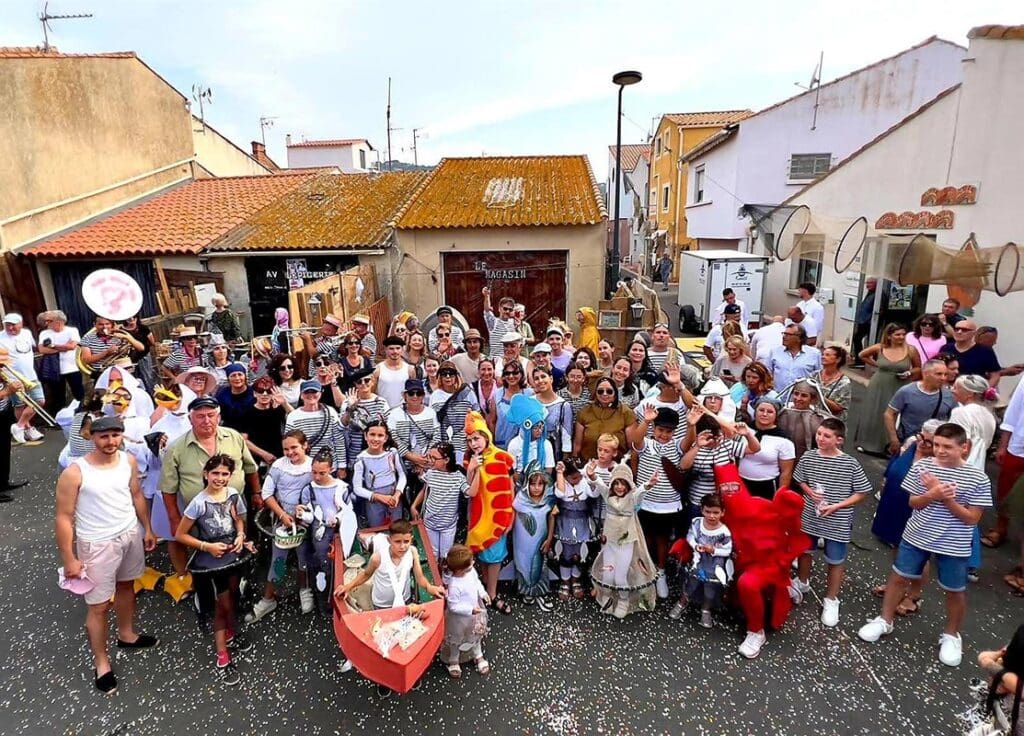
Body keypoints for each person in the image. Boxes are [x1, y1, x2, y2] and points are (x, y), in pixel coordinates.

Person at [858, 423, 992, 667]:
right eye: (937, 445)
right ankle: (884, 620)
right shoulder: (922, 466)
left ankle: (952, 635)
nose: (940, 451)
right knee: (898, 577)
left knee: (954, 590)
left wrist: (944, 498)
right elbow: (914, 502)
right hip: (917, 534)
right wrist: (931, 495)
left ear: (964, 448)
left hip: (954, 543)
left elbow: (972, 518)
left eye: (947, 447)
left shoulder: (978, 478)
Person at [54, 415, 159, 694]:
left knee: (127, 586)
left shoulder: (128, 461)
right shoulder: (76, 472)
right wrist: (69, 559)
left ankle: (126, 634)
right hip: (97, 544)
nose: (111, 441)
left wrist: (147, 528)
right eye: (104, 436)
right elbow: (64, 518)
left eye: (116, 435)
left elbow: (136, 494)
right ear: (92, 437)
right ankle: (102, 662)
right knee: (99, 606)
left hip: (129, 535)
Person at [333, 520, 445, 687]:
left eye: (406, 541)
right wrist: (348, 586)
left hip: (405, 603)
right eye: (398, 542)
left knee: (406, 638)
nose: (402, 546)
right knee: (383, 641)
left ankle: (408, 670)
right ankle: (384, 679)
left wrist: (431, 588)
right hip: (381, 606)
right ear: (389, 540)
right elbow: (365, 574)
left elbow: (420, 578)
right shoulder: (378, 557)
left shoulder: (412, 553)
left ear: (411, 540)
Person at [175, 454, 255, 685]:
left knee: (232, 594)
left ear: (230, 476)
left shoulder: (232, 494)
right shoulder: (198, 503)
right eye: (215, 473)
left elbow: (239, 519)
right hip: (213, 559)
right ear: (206, 474)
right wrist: (206, 546)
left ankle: (230, 633)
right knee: (222, 603)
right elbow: (181, 534)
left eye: (224, 474)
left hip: (233, 553)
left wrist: (241, 534)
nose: (219, 478)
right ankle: (222, 654)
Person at [791, 418, 872, 627]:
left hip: (837, 518)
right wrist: (809, 492)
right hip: (810, 514)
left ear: (839, 440)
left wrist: (837, 506)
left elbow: (862, 491)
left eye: (826, 436)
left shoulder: (850, 463)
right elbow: (800, 479)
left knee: (835, 560)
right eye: (819, 434)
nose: (820, 438)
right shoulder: (809, 457)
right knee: (805, 550)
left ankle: (831, 598)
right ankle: (802, 581)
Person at [869, 419, 941, 615]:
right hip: (892, 504)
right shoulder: (910, 445)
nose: (923, 443)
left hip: (917, 511)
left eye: (930, 441)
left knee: (918, 555)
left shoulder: (939, 463)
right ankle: (895, 584)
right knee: (895, 546)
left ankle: (914, 595)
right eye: (922, 437)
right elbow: (892, 467)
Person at [248, 430, 315, 621]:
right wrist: (282, 515)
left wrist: (306, 513)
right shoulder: (278, 466)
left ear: (305, 445)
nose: (290, 452)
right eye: (286, 449)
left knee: (303, 557)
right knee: (278, 561)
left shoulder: (313, 466)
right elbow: (267, 494)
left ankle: (305, 589)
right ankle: (268, 599)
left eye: (294, 447)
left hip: (305, 522)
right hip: (283, 522)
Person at [464, 414, 516, 614]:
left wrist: (510, 514)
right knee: (482, 553)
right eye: (469, 440)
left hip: (499, 515)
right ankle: (485, 587)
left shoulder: (503, 456)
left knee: (494, 556)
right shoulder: (470, 459)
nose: (473, 443)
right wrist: (471, 469)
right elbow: (469, 489)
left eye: (476, 438)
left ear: (486, 436)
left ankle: (492, 594)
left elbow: (511, 488)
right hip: (478, 514)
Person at [631, 407, 683, 599]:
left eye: (669, 431)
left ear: (675, 431)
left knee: (662, 539)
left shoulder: (677, 445)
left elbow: (688, 442)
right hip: (645, 502)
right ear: (654, 429)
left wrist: (692, 425)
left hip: (668, 503)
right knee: (644, 538)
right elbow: (635, 439)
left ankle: (660, 572)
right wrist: (645, 421)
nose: (664, 435)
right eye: (660, 430)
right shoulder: (646, 444)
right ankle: (643, 572)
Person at [848, 323, 921, 455]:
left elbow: (918, 368)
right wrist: (877, 365)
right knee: (874, 412)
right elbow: (862, 355)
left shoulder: (911, 350)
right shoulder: (879, 347)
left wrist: (909, 373)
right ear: (889, 336)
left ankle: (891, 445)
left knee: (894, 415)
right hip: (879, 383)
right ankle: (867, 443)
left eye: (903, 334)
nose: (901, 337)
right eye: (897, 334)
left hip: (900, 385)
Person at [671, 492, 733, 628]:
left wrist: (715, 551)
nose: (711, 516)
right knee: (691, 583)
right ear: (702, 510)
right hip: (698, 560)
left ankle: (706, 610)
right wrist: (695, 545)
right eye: (708, 511)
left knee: (710, 589)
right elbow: (690, 536)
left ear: (722, 512)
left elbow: (728, 550)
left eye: (716, 512)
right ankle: (682, 602)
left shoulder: (724, 532)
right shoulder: (697, 522)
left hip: (713, 564)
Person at [299, 449, 355, 598]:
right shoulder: (309, 489)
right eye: (314, 472)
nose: (317, 476)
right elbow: (309, 515)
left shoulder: (342, 488)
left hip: (340, 531)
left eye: (322, 473)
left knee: (343, 562)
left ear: (331, 469)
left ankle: (343, 595)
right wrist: (302, 514)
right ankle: (325, 599)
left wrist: (338, 518)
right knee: (323, 564)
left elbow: (349, 510)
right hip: (320, 534)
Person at [986, 376, 1024, 564]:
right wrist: (1003, 444)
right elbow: (1014, 411)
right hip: (1020, 445)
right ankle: (1001, 527)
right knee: (1006, 488)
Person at [882, 359, 955, 456]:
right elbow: (889, 414)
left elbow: (954, 420)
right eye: (938, 374)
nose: (943, 378)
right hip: (908, 444)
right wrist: (893, 439)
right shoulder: (907, 391)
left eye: (945, 374)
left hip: (934, 448)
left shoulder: (949, 395)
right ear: (925, 374)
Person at [441, 544, 491, 678]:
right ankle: (454, 659)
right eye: (470, 562)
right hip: (459, 619)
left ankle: (478, 654)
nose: (473, 563)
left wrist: (482, 592)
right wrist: (470, 610)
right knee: (456, 639)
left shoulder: (471, 571)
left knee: (476, 634)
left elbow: (476, 582)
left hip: (474, 611)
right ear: (460, 569)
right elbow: (453, 606)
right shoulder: (454, 584)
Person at [410, 442, 466, 561]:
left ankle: (444, 577)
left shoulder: (458, 477)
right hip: (429, 523)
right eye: (429, 456)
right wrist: (414, 506)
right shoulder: (431, 473)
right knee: (432, 553)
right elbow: (424, 490)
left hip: (448, 525)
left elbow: (469, 492)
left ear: (446, 460)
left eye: (433, 458)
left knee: (446, 555)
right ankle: (435, 576)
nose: (430, 460)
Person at [511, 468, 557, 611]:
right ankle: (526, 591)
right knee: (523, 564)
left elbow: (551, 518)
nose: (536, 488)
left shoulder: (548, 500)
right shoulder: (519, 499)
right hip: (522, 543)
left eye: (540, 484)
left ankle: (540, 592)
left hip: (540, 541)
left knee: (539, 565)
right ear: (527, 484)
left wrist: (549, 538)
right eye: (533, 484)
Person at [553, 459, 598, 600]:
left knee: (579, 551)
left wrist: (590, 476)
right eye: (573, 478)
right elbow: (560, 494)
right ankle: (565, 580)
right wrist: (559, 474)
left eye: (579, 476)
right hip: (566, 521)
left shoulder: (584, 482)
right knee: (566, 551)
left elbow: (595, 494)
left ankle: (576, 579)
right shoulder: (562, 484)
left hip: (581, 521)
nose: (577, 480)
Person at [285, 380, 346, 479]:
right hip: (305, 468)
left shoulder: (330, 412)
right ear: (301, 395)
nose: (311, 395)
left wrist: (342, 466)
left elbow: (338, 439)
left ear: (320, 393)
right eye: (307, 392)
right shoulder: (293, 416)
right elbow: (289, 444)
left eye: (314, 392)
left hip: (329, 467)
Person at [738, 397, 795, 500]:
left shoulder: (783, 439)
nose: (764, 414)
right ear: (755, 412)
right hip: (741, 483)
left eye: (770, 412)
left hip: (767, 487)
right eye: (761, 410)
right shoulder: (744, 429)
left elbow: (786, 472)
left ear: (776, 415)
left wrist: (781, 496)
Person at [0, 313, 44, 444]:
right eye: (8, 325)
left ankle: (19, 426)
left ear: (21, 324)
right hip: (12, 376)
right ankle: (27, 428)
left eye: (14, 325)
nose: (11, 328)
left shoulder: (26, 333)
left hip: (30, 374)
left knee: (39, 400)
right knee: (19, 404)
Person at [352, 419, 406, 527]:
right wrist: (377, 496)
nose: (376, 439)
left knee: (396, 528)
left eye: (380, 435)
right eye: (372, 434)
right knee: (377, 529)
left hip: (393, 497)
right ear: (365, 436)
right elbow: (357, 488)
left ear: (385, 438)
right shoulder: (361, 459)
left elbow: (402, 475)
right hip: (374, 501)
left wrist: (397, 493)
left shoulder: (392, 453)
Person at [430, 361, 480, 463]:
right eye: (444, 374)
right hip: (443, 443)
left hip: (465, 443)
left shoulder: (467, 393)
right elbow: (433, 422)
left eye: (451, 374)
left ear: (456, 376)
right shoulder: (435, 396)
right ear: (440, 377)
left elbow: (477, 417)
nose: (448, 377)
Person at [938, 319, 1003, 388]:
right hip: (947, 390)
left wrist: (984, 391)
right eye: (956, 329)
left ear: (974, 333)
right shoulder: (946, 348)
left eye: (964, 330)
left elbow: (995, 375)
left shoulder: (985, 351)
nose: (959, 332)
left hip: (972, 391)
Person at [38, 310, 83, 409]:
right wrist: (63, 347)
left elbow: (72, 346)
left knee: (79, 394)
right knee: (58, 398)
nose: (46, 323)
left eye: (49, 321)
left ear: (58, 321)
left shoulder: (72, 330)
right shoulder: (44, 333)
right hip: (54, 370)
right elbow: (42, 349)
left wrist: (52, 346)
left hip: (72, 367)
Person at [242, 376, 288, 467]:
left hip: (279, 456)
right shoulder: (247, 412)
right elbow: (244, 440)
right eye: (260, 391)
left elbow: (297, 419)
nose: (264, 394)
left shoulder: (278, 409)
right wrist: (264, 454)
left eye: (269, 391)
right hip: (256, 458)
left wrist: (285, 403)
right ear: (255, 393)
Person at [777, 380, 828, 461]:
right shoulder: (781, 413)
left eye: (804, 395)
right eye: (796, 394)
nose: (798, 398)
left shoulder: (820, 419)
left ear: (813, 399)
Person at [531, 366, 573, 459]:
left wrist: (564, 461)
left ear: (551, 378)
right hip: (532, 453)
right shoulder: (530, 402)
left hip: (554, 455)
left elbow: (566, 437)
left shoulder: (563, 406)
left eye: (543, 376)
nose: (540, 380)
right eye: (536, 378)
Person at [77, 315, 136, 379]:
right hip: (101, 375)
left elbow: (135, 349)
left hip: (122, 372)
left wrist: (124, 347)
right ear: (95, 324)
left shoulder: (120, 335)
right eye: (100, 324)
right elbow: (86, 360)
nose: (104, 327)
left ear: (112, 324)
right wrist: (107, 352)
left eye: (107, 324)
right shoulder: (87, 338)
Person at [492, 360, 533, 449]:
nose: (511, 376)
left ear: (521, 374)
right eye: (507, 373)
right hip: (502, 445)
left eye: (515, 373)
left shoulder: (530, 394)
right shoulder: (497, 395)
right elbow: (492, 421)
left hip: (525, 445)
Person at [768, 324, 821, 393]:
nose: (784, 337)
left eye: (788, 334)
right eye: (784, 334)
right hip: (778, 397)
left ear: (799, 338)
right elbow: (767, 373)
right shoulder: (775, 352)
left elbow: (819, 376)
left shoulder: (814, 354)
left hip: (802, 398)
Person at [372, 336, 416, 410]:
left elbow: (413, 392)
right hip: (382, 411)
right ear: (385, 350)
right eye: (391, 349)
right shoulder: (378, 370)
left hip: (403, 411)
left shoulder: (410, 369)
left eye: (398, 348)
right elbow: (372, 392)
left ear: (402, 350)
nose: (395, 351)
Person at [120, 313, 157, 392]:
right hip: (129, 359)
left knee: (148, 377)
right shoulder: (121, 330)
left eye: (134, 317)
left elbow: (152, 342)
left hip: (144, 356)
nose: (132, 319)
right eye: (129, 318)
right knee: (134, 379)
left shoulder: (143, 328)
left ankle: (152, 396)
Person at [813, 346, 852, 421]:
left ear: (838, 359)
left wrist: (819, 396)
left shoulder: (844, 382)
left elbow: (839, 408)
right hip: (814, 419)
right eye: (823, 354)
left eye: (827, 355)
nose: (823, 357)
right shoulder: (814, 375)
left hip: (832, 423)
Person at [214, 363, 254, 433]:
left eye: (240, 374)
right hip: (229, 431)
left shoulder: (254, 393)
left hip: (251, 431)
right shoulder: (222, 394)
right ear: (228, 378)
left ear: (245, 376)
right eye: (233, 375)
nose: (237, 378)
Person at [482, 287, 516, 360]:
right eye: (505, 308)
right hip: (496, 359)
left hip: (510, 360)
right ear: (499, 308)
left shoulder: (513, 323)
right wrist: (486, 296)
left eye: (510, 309)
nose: (507, 311)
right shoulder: (494, 322)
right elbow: (487, 310)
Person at [851, 277, 878, 363]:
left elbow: (880, 309)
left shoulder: (878, 294)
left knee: (857, 338)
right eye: (867, 283)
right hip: (862, 321)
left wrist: (869, 320)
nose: (868, 285)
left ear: (876, 284)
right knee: (856, 338)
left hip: (869, 322)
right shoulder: (870, 293)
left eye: (870, 283)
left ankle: (860, 360)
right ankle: (859, 359)